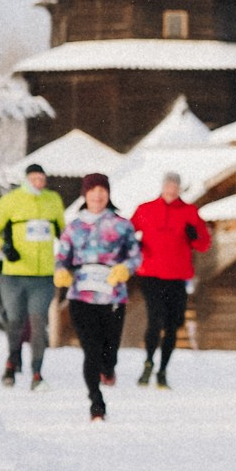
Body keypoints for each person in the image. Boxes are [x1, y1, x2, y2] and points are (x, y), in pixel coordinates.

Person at [53, 172, 138, 421]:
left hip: (112, 295)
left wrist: (125, 269)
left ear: (108, 194)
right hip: (81, 295)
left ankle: (108, 368)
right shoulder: (74, 226)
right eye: (93, 191)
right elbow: (62, 258)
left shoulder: (121, 224)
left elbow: (135, 255)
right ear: (85, 194)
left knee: (109, 350)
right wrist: (61, 273)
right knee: (90, 350)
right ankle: (96, 403)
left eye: (102, 190)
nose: (98, 195)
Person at [0, 162, 65, 390]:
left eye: (42, 179)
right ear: (27, 179)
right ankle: (12, 360)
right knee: (15, 321)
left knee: (39, 322)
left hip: (43, 275)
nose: (39, 183)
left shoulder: (53, 200)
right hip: (15, 273)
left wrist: (66, 252)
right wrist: (5, 248)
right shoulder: (11, 200)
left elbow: (64, 231)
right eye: (35, 179)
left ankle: (37, 371)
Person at [130, 170, 210, 388]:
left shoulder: (189, 212)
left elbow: (204, 244)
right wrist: (134, 245)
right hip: (151, 274)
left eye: (175, 187)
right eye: (168, 186)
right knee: (155, 320)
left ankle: (163, 369)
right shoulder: (145, 209)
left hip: (177, 276)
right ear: (162, 187)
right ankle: (148, 362)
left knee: (173, 325)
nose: (171, 190)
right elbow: (128, 233)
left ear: (179, 189)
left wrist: (195, 236)